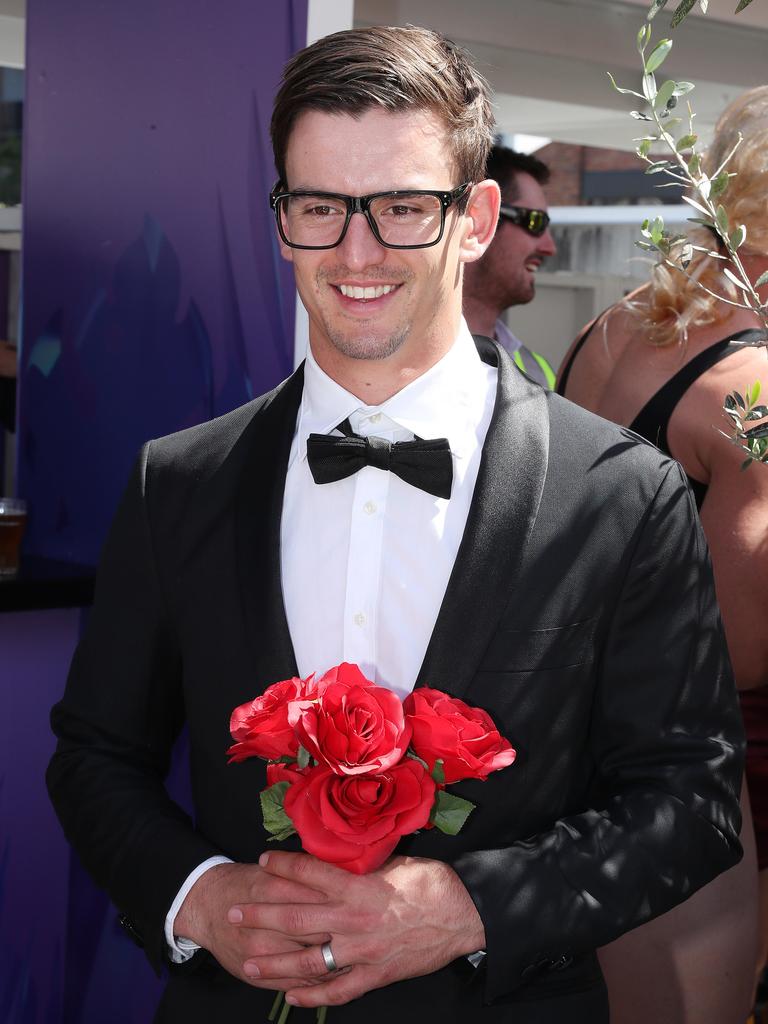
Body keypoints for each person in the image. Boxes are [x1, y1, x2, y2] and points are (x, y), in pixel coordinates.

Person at [47, 26, 745, 1024]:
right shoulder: (179, 483)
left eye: (405, 207)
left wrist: (469, 908)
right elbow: (93, 756)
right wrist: (198, 892)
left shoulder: (620, 493)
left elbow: (691, 802)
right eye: (321, 207)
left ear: (476, 218)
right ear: (283, 220)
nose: (358, 251)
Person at [558, 86, 768, 1024]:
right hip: (683, 788)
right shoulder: (754, 387)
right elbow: (739, 652)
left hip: (561, 756)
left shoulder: (610, 329)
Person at [463, 145, 557, 388]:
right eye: (535, 221)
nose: (550, 247)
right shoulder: (383, 357)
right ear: (479, 221)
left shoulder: (537, 371)